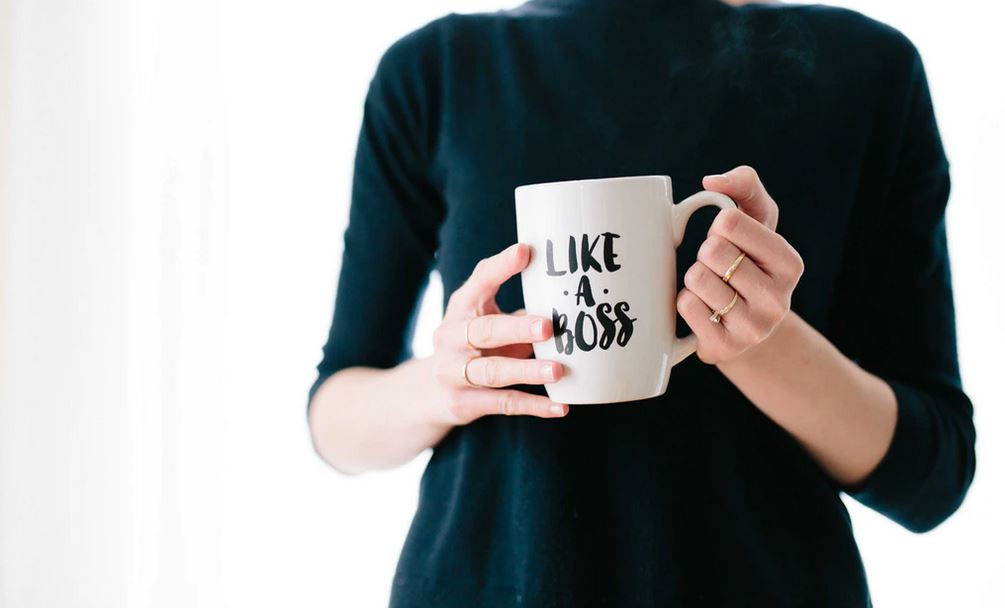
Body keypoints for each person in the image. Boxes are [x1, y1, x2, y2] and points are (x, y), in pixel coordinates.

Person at [306, 0, 976, 605]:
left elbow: (931, 476)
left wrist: (763, 344)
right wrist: (446, 382)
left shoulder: (864, 70)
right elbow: (334, 418)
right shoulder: (437, 72)